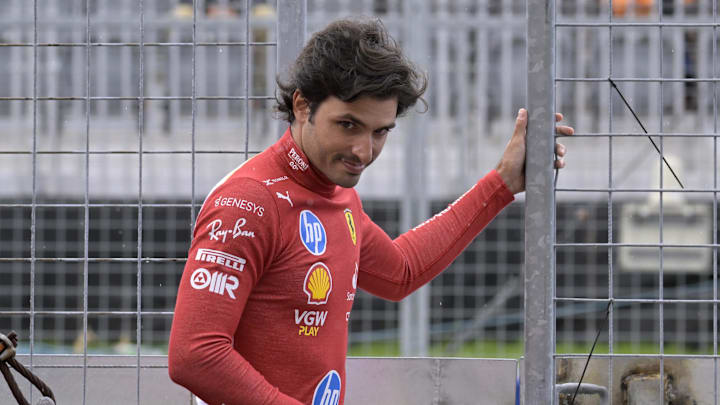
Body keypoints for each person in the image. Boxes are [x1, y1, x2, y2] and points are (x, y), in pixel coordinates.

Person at [168, 17, 573, 405]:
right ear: (302, 105)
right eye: (348, 125)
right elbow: (194, 354)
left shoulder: (334, 193)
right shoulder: (250, 202)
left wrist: (501, 183)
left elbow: (400, 273)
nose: (364, 151)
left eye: (380, 132)